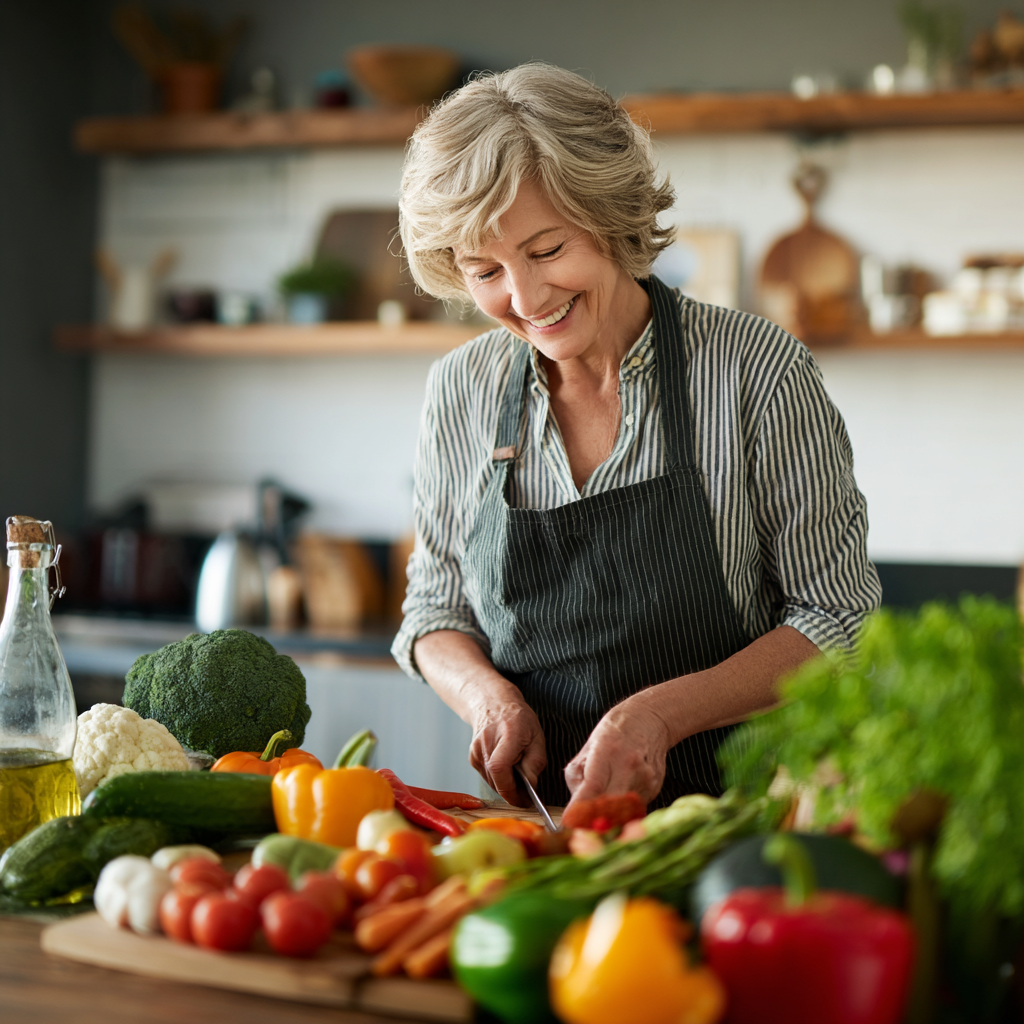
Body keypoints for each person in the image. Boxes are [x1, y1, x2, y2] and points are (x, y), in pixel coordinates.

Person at [391, 63, 881, 812]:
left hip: (740, 827)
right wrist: (488, 698)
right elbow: (435, 612)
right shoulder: (461, 391)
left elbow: (837, 617)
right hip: (542, 838)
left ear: (610, 213)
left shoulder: (755, 369)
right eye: (485, 269)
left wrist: (657, 715)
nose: (525, 299)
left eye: (548, 250)